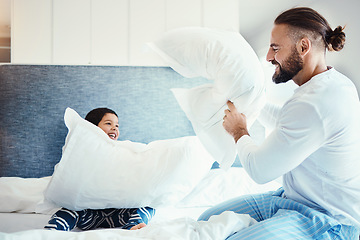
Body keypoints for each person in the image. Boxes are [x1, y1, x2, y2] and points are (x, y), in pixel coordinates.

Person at [198, 7, 360, 239]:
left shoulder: (315, 102)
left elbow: (260, 170)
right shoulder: (332, 84)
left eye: (275, 48)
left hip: (328, 219)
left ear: (303, 47)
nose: (268, 57)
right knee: (206, 222)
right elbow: (289, 123)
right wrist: (250, 99)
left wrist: (239, 131)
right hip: (292, 199)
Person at [45, 107, 155, 231]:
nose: (114, 128)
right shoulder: (83, 152)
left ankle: (133, 225)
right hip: (89, 214)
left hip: (118, 214)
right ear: (93, 128)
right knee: (68, 211)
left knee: (150, 205)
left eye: (117, 126)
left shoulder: (123, 150)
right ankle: (53, 230)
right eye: (108, 123)